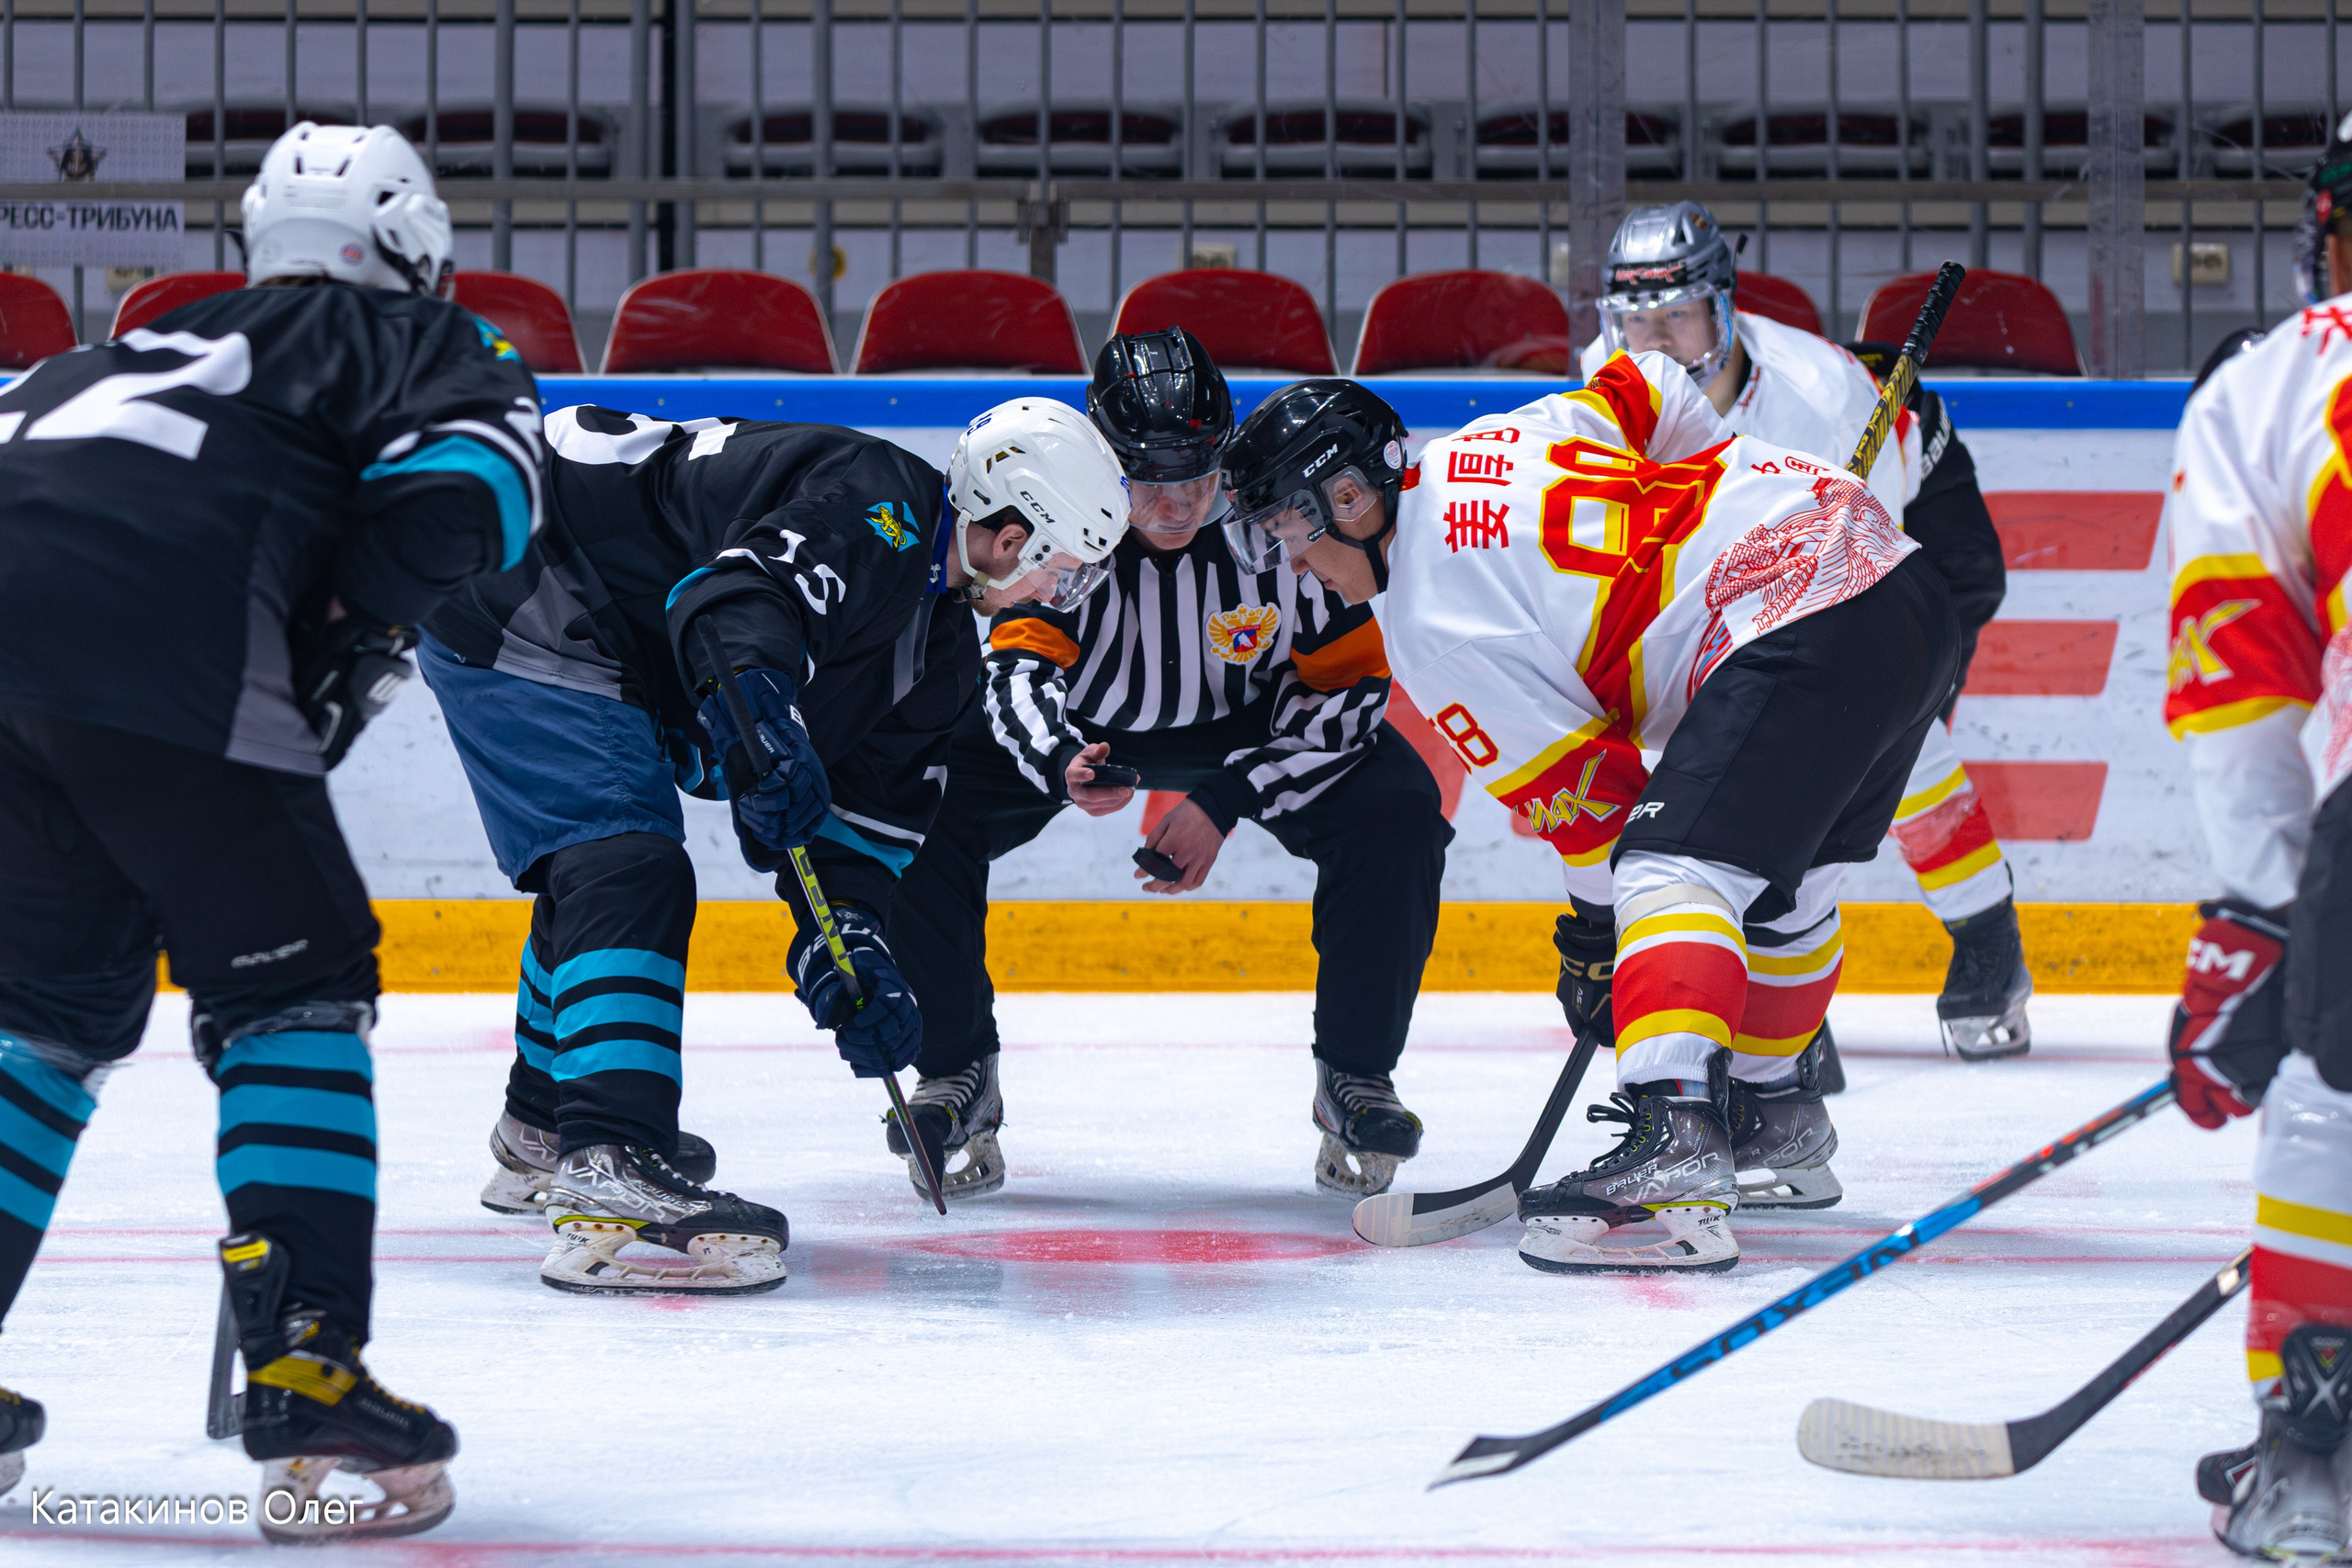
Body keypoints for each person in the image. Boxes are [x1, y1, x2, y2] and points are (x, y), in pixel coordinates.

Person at [0, 122, 543, 1538]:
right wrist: (343, 628)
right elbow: (471, 497)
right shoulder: (425, 338)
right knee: (294, 983)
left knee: (46, 1013)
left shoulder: (104, 354)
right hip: (162, 649)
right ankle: (307, 1364)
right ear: (415, 247)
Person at [1221, 357, 1958, 1273]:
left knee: (1669, 869)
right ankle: (1776, 1119)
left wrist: (1595, 939)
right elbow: (1652, 381)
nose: (1293, 563)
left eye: (1290, 532)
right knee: (1787, 889)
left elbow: (1595, 809)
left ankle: (1677, 1141)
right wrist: (1723, 497)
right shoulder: (1485, 444)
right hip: (1897, 581)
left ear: (1349, 497)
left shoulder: (1429, 618)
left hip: (1797, 617)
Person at [420, 397, 1129, 1284]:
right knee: (627, 864)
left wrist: (851, 950)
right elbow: (733, 604)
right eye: (1065, 569)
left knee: (606, 865)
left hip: (593, 611)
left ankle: (544, 1123)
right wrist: (763, 718)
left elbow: (857, 834)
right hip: (526, 561)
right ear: (1012, 535)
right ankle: (609, 1155)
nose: (1060, 595)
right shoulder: (880, 506)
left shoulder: (937, 656)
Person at [889, 328, 1452, 1201]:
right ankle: (955, 1069)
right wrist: (1058, 759)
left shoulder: (1282, 522)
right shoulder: (1069, 525)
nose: (1179, 501)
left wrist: (1229, 797)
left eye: (1197, 471)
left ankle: (1356, 1074)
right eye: (1149, 476)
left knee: (1400, 809)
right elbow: (1015, 673)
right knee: (915, 799)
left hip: (1253, 727)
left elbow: (1350, 694)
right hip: (1086, 728)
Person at [1579, 201, 2032, 1066]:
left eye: (1677, 314)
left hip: (1914, 524)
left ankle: (1988, 939)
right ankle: (1777, 990)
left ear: (1723, 306)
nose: (1654, 341)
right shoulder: (1604, 391)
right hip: (1754, 562)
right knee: (1726, 752)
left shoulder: (1821, 400)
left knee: (1886, 731)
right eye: (1636, 319)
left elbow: (1871, 583)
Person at [2155, 124, 2352, 1561]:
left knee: (2332, 1099)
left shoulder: (2281, 379)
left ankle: (2315, 1457)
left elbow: (2241, 682)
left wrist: (2265, 912)